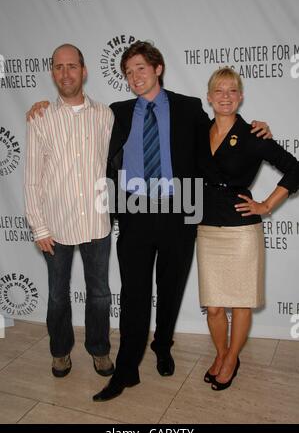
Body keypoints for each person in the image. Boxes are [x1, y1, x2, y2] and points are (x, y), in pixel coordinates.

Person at [26, 41, 270, 401]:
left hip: (180, 212)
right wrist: (41, 105)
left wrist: (252, 129)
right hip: (135, 215)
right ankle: (126, 370)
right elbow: (78, 123)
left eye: (141, 68)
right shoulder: (117, 112)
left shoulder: (188, 108)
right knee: (134, 295)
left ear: (158, 69)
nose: (134, 77)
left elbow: (217, 140)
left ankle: (163, 345)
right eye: (128, 72)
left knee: (170, 291)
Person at [196, 67, 299, 391]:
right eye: (219, 91)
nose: (225, 97)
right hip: (207, 227)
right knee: (213, 306)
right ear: (209, 97)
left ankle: (230, 360)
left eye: (232, 91)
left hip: (242, 231)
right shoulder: (198, 131)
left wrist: (267, 205)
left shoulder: (255, 135)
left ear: (240, 97)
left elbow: (294, 169)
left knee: (239, 302)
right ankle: (224, 353)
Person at [24, 44, 115, 378]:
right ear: (52, 72)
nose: (66, 73)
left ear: (84, 70)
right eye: (59, 67)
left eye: (72, 66)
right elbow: (32, 178)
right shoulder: (40, 117)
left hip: (96, 222)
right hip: (56, 227)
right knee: (58, 296)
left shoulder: (105, 115)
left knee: (100, 295)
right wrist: (39, 227)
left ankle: (100, 350)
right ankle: (60, 352)